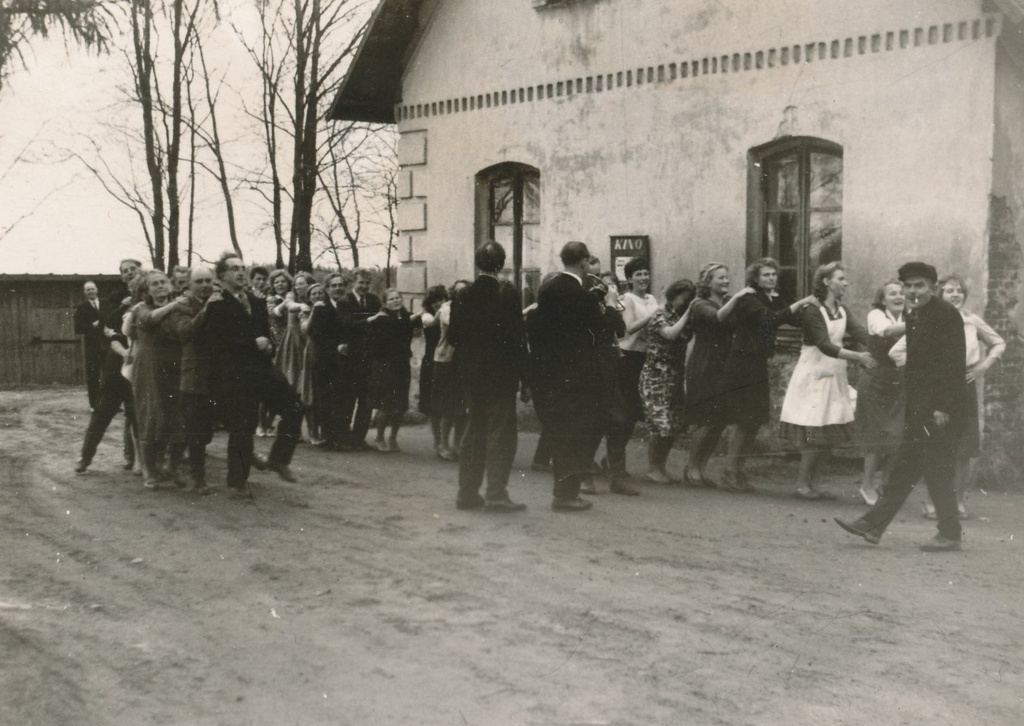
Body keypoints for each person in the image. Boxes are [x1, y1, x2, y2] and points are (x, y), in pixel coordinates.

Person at [835, 261, 967, 552]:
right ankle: (873, 525)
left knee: (936, 471)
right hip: (919, 406)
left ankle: (950, 534)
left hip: (940, 410)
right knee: (904, 469)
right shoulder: (915, 313)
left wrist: (943, 406)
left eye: (919, 286)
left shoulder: (946, 315)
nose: (912, 291)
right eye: (908, 286)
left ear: (933, 288)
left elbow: (954, 363)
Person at [205, 253, 304, 497]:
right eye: (233, 268)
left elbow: (266, 333)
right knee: (242, 428)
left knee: (295, 407)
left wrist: (268, 343)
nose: (241, 272)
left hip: (263, 369)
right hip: (236, 375)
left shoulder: (256, 300)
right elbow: (217, 343)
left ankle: (279, 460)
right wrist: (252, 343)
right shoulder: (216, 303)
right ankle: (237, 483)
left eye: (242, 267)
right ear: (221, 275)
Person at [718, 257, 817, 492]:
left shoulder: (773, 298)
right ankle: (730, 471)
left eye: (774, 274)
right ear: (755, 278)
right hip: (742, 363)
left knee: (754, 419)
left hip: (757, 362)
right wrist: (801, 302)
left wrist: (820, 318)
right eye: (766, 275)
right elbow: (769, 320)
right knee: (745, 419)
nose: (771, 278)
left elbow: (794, 319)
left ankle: (737, 470)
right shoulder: (749, 300)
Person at [779, 262, 875, 500]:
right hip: (813, 375)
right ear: (826, 282)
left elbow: (861, 333)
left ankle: (816, 483)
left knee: (831, 429)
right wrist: (859, 357)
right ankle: (802, 483)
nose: (846, 283)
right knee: (816, 430)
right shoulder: (812, 310)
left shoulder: (842, 310)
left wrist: (883, 349)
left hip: (835, 374)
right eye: (841, 278)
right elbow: (824, 344)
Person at [449, 241, 529, 511]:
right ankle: (496, 493)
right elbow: (518, 340)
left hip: (472, 377)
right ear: (502, 264)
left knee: (474, 431)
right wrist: (525, 378)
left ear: (477, 264)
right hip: (501, 377)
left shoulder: (463, 295)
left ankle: (466, 493)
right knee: (501, 435)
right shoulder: (506, 293)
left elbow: (453, 337)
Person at [919, 274, 1004, 520]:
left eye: (959, 291)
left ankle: (956, 502)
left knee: (964, 449)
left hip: (964, 387)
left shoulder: (971, 320)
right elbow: (901, 351)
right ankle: (932, 502)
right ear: (940, 295)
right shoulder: (929, 320)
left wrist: (982, 368)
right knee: (936, 446)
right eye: (949, 291)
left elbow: (998, 343)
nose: (955, 295)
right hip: (938, 388)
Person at [529, 241, 605, 512]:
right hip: (577, 374)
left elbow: (538, 329)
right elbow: (598, 332)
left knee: (561, 434)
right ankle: (566, 495)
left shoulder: (548, 288)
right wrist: (600, 302)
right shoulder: (581, 293)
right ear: (583, 261)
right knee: (574, 436)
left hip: (552, 372)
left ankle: (563, 492)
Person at [681, 263, 747, 487]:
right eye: (720, 278)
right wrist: (737, 298)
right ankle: (691, 467)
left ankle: (702, 467)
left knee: (719, 422)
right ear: (708, 282)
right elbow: (717, 317)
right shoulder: (699, 304)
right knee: (706, 420)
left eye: (727, 278)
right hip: (704, 365)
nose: (726, 281)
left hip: (724, 366)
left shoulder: (728, 302)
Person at [75, 264, 142, 475]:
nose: (129, 273)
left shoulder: (150, 297)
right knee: (102, 412)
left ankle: (138, 461)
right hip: (116, 363)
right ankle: (85, 458)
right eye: (125, 270)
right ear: (122, 276)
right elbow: (107, 323)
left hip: (140, 366)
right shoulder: (114, 299)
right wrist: (123, 306)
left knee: (136, 414)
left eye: (133, 269)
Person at [124, 270, 188, 489]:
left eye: (163, 282)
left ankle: (174, 466)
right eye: (155, 284)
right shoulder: (140, 309)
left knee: (179, 417)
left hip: (177, 368)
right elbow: (150, 320)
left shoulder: (180, 308)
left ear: (170, 286)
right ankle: (150, 471)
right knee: (151, 418)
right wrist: (175, 305)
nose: (160, 286)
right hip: (150, 372)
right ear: (146, 291)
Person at [163, 266, 217, 494]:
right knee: (193, 428)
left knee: (203, 430)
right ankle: (196, 478)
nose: (205, 285)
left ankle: (173, 464)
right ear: (190, 286)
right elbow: (186, 332)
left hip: (216, 375)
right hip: (192, 376)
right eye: (200, 281)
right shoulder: (182, 307)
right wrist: (208, 310)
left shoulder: (218, 303)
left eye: (208, 280)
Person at [853, 279, 906, 505]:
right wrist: (919, 322)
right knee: (876, 433)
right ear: (883, 299)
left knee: (898, 433)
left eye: (901, 293)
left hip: (901, 379)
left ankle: (887, 483)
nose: (898, 297)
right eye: (893, 294)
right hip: (876, 379)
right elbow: (886, 332)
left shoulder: (910, 316)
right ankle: (867, 485)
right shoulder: (876, 315)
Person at [605, 257, 659, 482]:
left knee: (635, 413)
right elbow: (626, 330)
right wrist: (650, 318)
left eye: (646, 273)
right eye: (639, 274)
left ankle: (612, 459)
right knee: (624, 412)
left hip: (645, 358)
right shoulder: (626, 299)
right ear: (629, 278)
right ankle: (614, 460)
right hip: (627, 358)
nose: (644, 278)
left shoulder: (651, 298)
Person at [639, 279, 696, 483]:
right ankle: (653, 468)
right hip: (657, 376)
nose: (686, 302)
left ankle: (661, 466)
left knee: (673, 424)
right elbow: (670, 334)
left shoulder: (679, 314)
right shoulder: (660, 314)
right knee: (660, 423)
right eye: (684, 299)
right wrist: (690, 312)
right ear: (673, 296)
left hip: (674, 375)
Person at [366, 289, 416, 452]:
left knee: (400, 404)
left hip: (402, 364)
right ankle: (379, 436)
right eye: (391, 299)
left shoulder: (406, 316)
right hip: (386, 366)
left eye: (397, 298)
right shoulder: (382, 319)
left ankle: (393, 437)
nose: (395, 301)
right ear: (385, 302)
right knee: (386, 404)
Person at [337, 268, 381, 450]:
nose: (364, 286)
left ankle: (359, 438)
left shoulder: (373, 300)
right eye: (360, 282)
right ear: (353, 283)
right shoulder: (344, 302)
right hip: (350, 358)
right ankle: (343, 438)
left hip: (368, 357)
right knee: (348, 399)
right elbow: (346, 325)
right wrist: (370, 321)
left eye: (366, 283)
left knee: (366, 400)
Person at [307, 273, 349, 450]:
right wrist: (336, 346)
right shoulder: (321, 308)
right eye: (334, 285)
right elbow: (316, 335)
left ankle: (341, 435)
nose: (338, 288)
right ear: (327, 289)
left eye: (340, 285)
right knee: (325, 399)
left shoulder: (347, 306)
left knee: (342, 398)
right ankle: (328, 438)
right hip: (325, 360)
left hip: (345, 360)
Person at [430, 280, 471, 460]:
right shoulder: (447, 308)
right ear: (453, 293)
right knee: (448, 406)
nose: (463, 295)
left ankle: (458, 444)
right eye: (459, 291)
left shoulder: (471, 308)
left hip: (463, 362)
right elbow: (459, 326)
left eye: (466, 291)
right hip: (446, 361)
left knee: (462, 407)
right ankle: (443, 444)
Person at [417, 285, 448, 452]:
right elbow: (431, 323)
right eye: (434, 301)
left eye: (441, 299)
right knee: (434, 406)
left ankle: (445, 442)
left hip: (445, 361)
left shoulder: (448, 312)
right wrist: (444, 309)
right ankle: (438, 442)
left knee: (446, 405)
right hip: (431, 361)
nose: (437, 303)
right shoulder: (426, 315)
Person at [299, 282, 327, 445]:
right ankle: (312, 430)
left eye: (320, 293)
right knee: (312, 393)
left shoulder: (328, 308)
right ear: (309, 297)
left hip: (326, 353)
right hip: (312, 353)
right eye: (314, 294)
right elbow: (306, 329)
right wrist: (315, 310)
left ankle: (324, 430)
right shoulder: (306, 310)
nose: (318, 296)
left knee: (324, 394)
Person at [74, 281, 107, 410]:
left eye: (92, 289)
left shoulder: (105, 304)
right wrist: (91, 326)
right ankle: (94, 404)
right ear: (84, 292)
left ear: (97, 290)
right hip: (92, 346)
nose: (91, 291)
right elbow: (78, 328)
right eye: (88, 290)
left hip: (108, 343)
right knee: (93, 375)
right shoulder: (81, 308)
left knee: (110, 374)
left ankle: (110, 403)